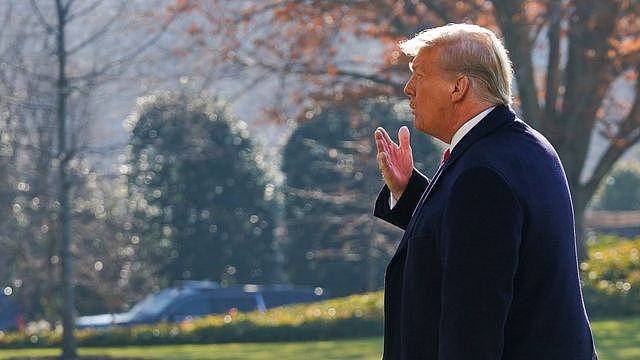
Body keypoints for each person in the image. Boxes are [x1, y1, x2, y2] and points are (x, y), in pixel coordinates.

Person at [373, 23, 597, 359]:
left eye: (418, 74)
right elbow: (479, 239)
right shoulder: (522, 147)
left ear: (458, 87)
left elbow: (474, 326)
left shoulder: (482, 173)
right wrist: (409, 192)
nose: (408, 88)